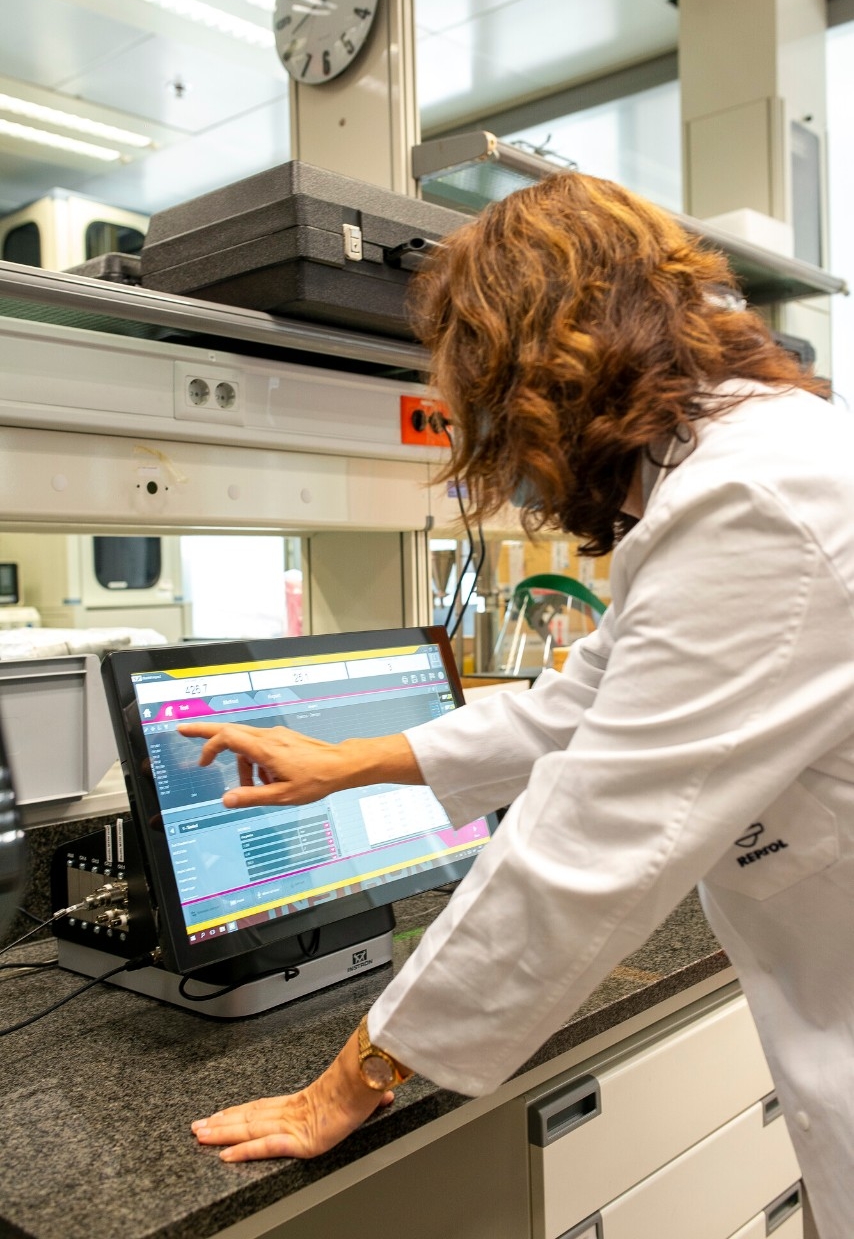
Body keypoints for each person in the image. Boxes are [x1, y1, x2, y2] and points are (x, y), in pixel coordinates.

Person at [183, 172, 854, 1238]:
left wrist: (349, 1082)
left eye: (481, 399)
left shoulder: (753, 500)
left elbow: (583, 846)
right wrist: (342, 761)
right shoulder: (733, 465)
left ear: (543, 372)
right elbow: (573, 704)